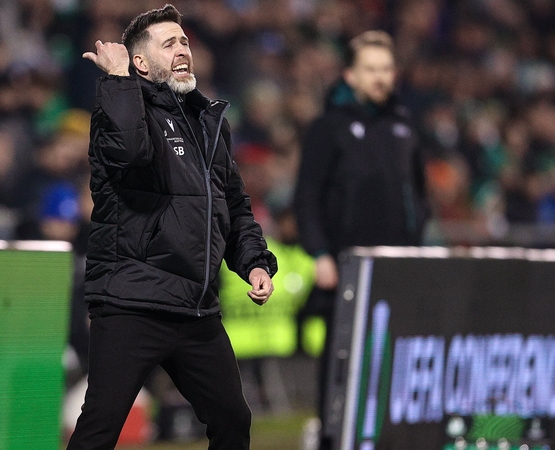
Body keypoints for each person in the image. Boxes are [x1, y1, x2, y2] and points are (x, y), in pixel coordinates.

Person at [67, 5, 277, 449]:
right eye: (169, 44)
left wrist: (254, 262)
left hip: (195, 307)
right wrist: (119, 79)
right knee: (100, 427)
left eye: (184, 41)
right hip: (132, 301)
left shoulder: (209, 122)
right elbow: (130, 152)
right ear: (140, 63)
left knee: (233, 420)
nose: (183, 49)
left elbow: (234, 206)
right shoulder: (119, 106)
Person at [293, 30, 429, 449]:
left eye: (386, 69)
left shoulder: (404, 125)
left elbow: (419, 195)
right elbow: (307, 196)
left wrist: (417, 241)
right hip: (346, 264)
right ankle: (332, 435)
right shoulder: (328, 128)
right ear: (350, 75)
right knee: (341, 356)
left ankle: (384, 436)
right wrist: (320, 253)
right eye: (371, 69)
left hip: (398, 264)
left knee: (392, 355)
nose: (380, 77)